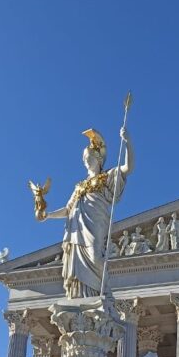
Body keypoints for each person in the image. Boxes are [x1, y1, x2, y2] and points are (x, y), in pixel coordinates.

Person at [36, 127, 134, 298]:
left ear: (97, 158)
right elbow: (68, 209)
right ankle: (83, 297)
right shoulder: (79, 186)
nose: (85, 161)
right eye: (83, 158)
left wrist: (127, 142)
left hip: (96, 220)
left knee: (95, 256)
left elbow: (128, 167)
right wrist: (48, 215)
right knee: (77, 262)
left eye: (87, 157)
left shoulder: (107, 177)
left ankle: (105, 292)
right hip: (78, 227)